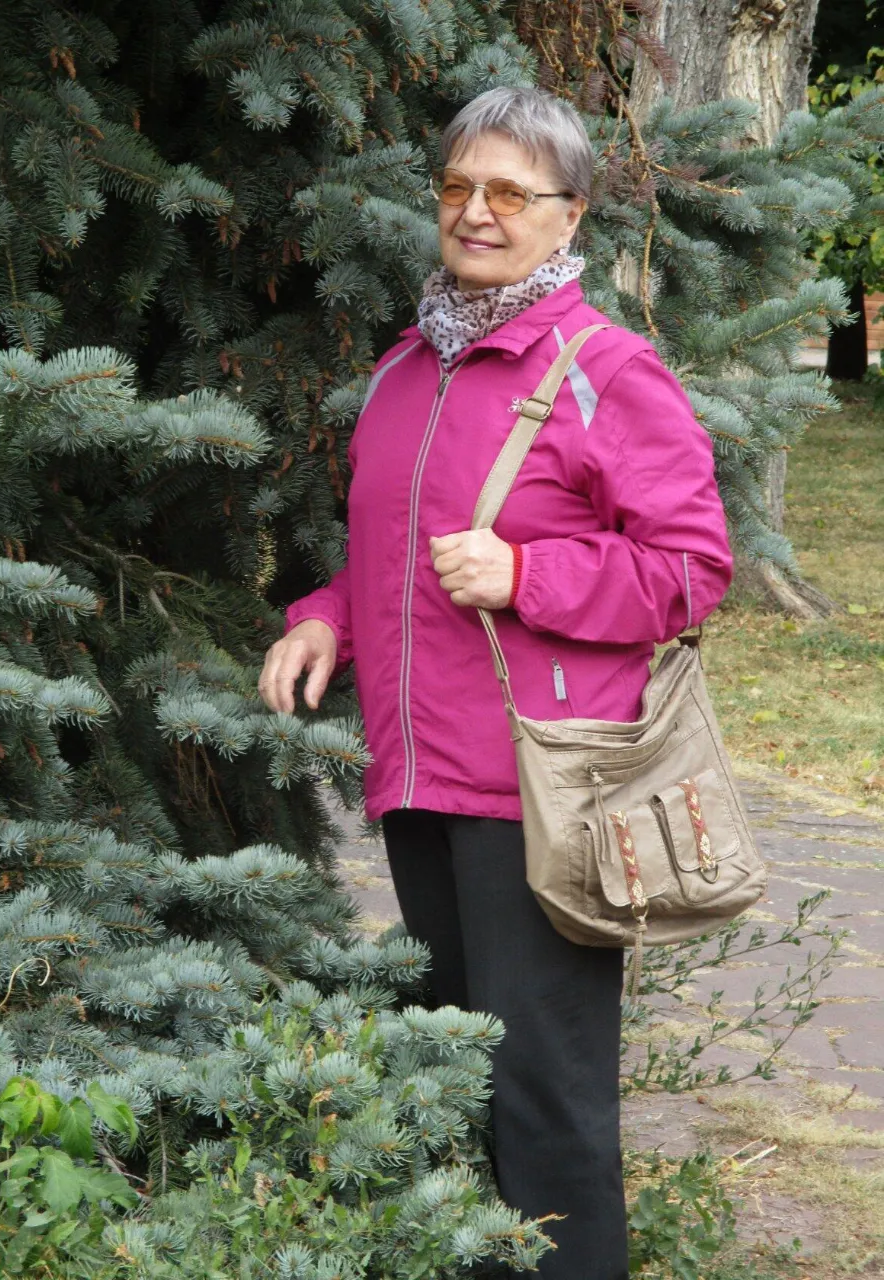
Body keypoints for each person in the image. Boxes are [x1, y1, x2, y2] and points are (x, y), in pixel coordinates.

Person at [258, 86, 733, 1280]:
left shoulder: (607, 371)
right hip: (421, 774)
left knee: (546, 1100)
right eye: (459, 187)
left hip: (543, 788)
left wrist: (529, 571)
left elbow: (690, 571)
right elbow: (391, 549)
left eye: (510, 193)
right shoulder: (411, 364)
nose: (477, 213)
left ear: (568, 219)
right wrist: (326, 620)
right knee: (459, 1084)